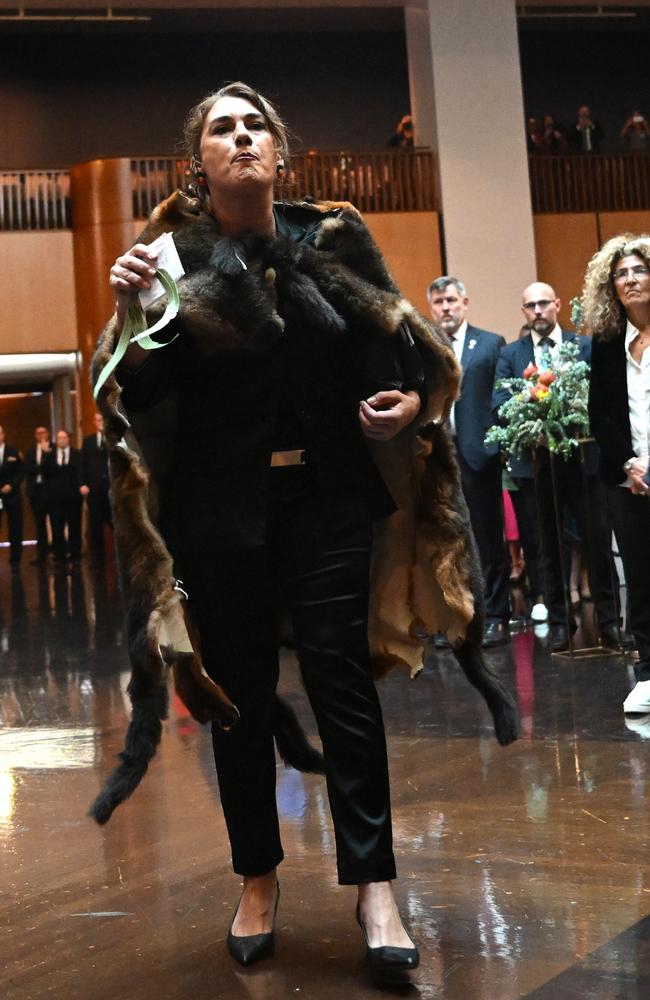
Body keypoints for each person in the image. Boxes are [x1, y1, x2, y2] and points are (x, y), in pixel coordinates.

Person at [91, 81, 516, 975]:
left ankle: (376, 887)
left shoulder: (334, 239)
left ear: (281, 154)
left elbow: (395, 358)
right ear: (198, 162)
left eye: (255, 127)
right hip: (221, 514)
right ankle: (257, 875)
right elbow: (143, 394)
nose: (240, 138)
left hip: (328, 502)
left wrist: (406, 408)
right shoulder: (169, 256)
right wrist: (135, 315)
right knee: (238, 699)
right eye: (222, 129)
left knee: (343, 692)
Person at [493, 282, 618, 652]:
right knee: (546, 545)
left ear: (558, 304)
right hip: (537, 466)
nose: (537, 311)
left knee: (596, 538)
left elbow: (604, 396)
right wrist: (529, 409)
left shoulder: (584, 347)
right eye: (530, 305)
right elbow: (499, 403)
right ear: (523, 312)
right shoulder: (512, 355)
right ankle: (561, 621)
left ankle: (610, 620)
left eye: (543, 303)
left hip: (584, 462)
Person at [584, 235, 650, 713]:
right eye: (621, 274)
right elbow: (600, 413)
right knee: (641, 577)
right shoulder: (607, 344)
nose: (630, 279)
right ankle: (647, 672)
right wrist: (631, 461)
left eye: (639, 270)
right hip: (629, 478)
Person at [427, 276, 510, 646]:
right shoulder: (424, 346)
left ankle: (497, 614)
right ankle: (459, 618)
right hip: (439, 458)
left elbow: (500, 400)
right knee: (450, 541)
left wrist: (494, 448)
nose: (445, 307)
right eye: (439, 302)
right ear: (431, 307)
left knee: (489, 539)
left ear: (465, 303)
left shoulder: (490, 344)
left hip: (479, 457)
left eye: (451, 300)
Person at [44, 429, 84, 567]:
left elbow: (81, 473)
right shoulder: (49, 456)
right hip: (55, 499)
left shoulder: (77, 454)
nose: (61, 440)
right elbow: (45, 475)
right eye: (59, 438)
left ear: (68, 439)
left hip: (73, 498)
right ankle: (59, 554)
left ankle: (75, 553)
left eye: (64, 437)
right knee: (56, 526)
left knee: (74, 526)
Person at [81, 412, 112, 563]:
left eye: (103, 420)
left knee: (115, 525)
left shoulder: (114, 440)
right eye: (98, 420)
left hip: (112, 490)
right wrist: (83, 484)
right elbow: (83, 465)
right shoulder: (88, 442)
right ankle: (97, 559)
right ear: (94, 422)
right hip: (94, 490)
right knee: (95, 526)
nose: (101, 422)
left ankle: (122, 558)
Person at [24, 425, 51, 565]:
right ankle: (41, 555)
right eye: (38, 433)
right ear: (35, 436)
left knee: (56, 523)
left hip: (51, 492)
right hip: (36, 492)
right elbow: (28, 469)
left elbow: (52, 467)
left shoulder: (52, 449)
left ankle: (58, 554)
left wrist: (46, 455)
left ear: (48, 434)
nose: (41, 435)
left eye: (43, 433)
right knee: (39, 525)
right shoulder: (30, 452)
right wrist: (41, 467)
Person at [0, 424, 24, 568]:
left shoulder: (13, 451)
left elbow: (21, 471)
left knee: (15, 527)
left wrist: (12, 485)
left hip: (12, 496)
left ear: (4, 434)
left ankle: (15, 559)